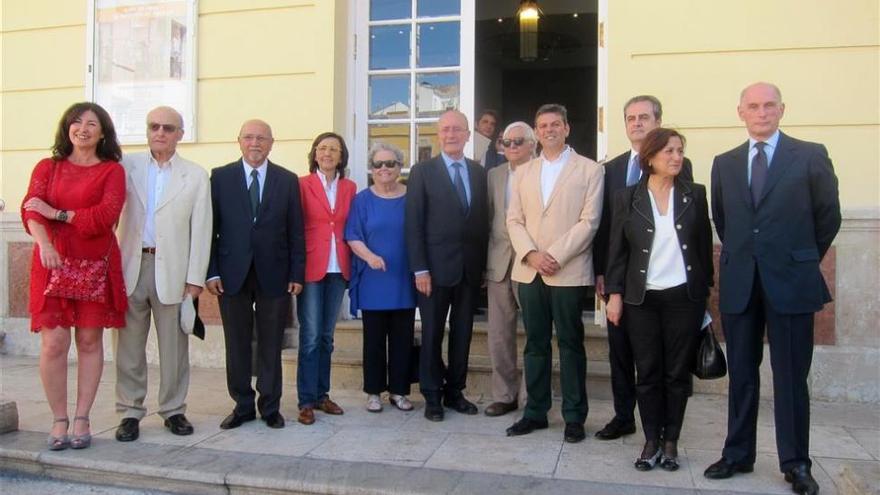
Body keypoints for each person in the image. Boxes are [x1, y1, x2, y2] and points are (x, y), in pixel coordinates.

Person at [704, 82, 840, 495]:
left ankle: (796, 463)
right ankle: (737, 454)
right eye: (753, 106)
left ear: (782, 109)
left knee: (791, 377)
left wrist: (799, 257)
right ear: (740, 112)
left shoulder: (810, 155)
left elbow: (828, 216)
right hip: (741, 282)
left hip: (792, 282)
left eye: (769, 106)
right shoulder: (724, 163)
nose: (761, 112)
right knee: (742, 374)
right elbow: (723, 220)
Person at [605, 128, 713, 471]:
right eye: (669, 151)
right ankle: (651, 439)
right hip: (642, 300)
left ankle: (671, 443)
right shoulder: (627, 198)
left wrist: (704, 292)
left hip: (684, 298)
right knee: (648, 371)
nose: (676, 157)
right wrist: (615, 295)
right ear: (650, 157)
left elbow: (703, 248)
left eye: (680, 150)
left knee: (677, 373)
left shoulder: (695, 194)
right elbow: (617, 253)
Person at [21, 101, 127, 450]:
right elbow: (31, 209)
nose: (83, 128)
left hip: (94, 262)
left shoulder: (112, 171)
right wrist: (44, 243)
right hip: (51, 260)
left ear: (103, 132)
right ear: (67, 128)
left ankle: (82, 417)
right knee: (53, 343)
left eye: (92, 123)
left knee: (88, 342)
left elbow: (104, 216)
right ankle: (59, 419)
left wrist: (58, 213)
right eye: (76, 121)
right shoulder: (47, 167)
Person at [593, 95, 694, 441]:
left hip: (664, 285)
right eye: (630, 118)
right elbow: (606, 225)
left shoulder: (681, 165)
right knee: (619, 350)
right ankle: (624, 416)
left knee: (661, 361)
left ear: (658, 121)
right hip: (620, 280)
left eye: (644, 117)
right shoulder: (611, 169)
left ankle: (665, 427)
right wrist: (602, 273)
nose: (636, 123)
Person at [505, 104, 604, 443]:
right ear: (536, 131)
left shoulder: (590, 170)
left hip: (568, 270)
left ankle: (575, 416)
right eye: (542, 125)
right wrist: (531, 254)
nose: (549, 130)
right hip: (530, 271)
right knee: (534, 344)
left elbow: (589, 222)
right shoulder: (522, 172)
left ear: (566, 128)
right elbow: (513, 220)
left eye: (555, 124)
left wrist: (556, 255)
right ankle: (535, 412)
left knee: (571, 343)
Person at [113, 106, 212, 442]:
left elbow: (201, 229)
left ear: (180, 134)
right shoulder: (126, 167)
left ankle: (173, 409)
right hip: (131, 266)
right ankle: (129, 410)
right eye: (153, 126)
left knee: (174, 346)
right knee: (128, 345)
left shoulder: (195, 175)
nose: (160, 133)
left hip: (173, 270)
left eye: (168, 128)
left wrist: (195, 279)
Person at [206, 119, 305, 430]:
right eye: (249, 137)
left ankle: (270, 406)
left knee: (271, 343)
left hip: (274, 273)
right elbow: (211, 229)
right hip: (231, 273)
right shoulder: (220, 177)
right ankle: (242, 405)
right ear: (239, 141)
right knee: (236, 342)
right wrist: (211, 271)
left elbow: (296, 231)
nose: (255, 143)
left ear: (272, 143)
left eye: (261, 138)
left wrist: (296, 273)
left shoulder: (287, 180)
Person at [405, 109, 488, 422]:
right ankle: (432, 395)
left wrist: (482, 268)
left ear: (468, 135)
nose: (451, 135)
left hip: (469, 270)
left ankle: (455, 391)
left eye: (457, 129)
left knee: (463, 333)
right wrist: (420, 269)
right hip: (433, 272)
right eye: (446, 130)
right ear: (438, 135)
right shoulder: (422, 171)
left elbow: (483, 222)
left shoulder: (478, 173)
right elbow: (413, 224)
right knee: (432, 333)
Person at [345, 142, 416, 413]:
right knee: (373, 341)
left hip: (403, 278)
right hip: (373, 279)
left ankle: (399, 391)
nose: (384, 169)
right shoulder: (362, 199)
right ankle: (373, 392)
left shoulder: (411, 197)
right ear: (372, 169)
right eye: (378, 164)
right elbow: (352, 235)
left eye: (390, 163)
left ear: (399, 167)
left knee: (402, 339)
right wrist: (370, 257)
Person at [296, 132, 357, 425]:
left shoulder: (350, 187)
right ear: (315, 154)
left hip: (338, 268)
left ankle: (322, 394)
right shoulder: (302, 185)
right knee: (309, 337)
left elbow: (350, 226)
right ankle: (306, 400)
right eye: (322, 148)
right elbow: (294, 227)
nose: (328, 153)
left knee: (327, 337)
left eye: (333, 149)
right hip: (310, 267)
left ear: (341, 156)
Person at [483, 121, 537, 417]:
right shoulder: (493, 175)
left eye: (518, 141)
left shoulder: (543, 171)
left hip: (531, 262)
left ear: (533, 143)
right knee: (499, 334)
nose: (512, 147)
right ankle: (504, 394)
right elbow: (488, 219)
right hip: (499, 263)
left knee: (535, 333)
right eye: (506, 142)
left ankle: (532, 397)